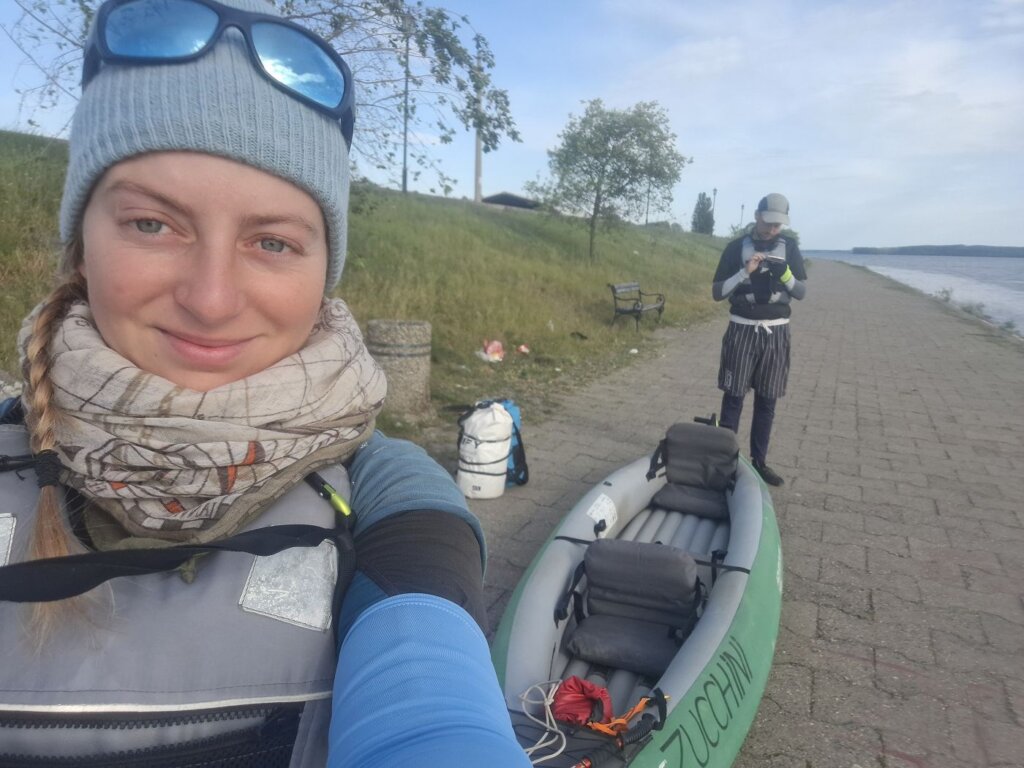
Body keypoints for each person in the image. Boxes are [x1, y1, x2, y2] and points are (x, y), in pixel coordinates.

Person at [0, 1, 529, 765]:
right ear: (81, 244)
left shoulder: (384, 486)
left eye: (273, 242)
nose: (212, 299)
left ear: (324, 276)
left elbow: (430, 701)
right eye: (153, 224)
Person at [711, 193, 807, 486]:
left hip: (776, 333)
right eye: (769, 222)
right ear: (757, 216)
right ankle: (725, 463)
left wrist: (785, 273)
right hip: (742, 329)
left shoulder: (789, 247)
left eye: (778, 225)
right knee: (734, 398)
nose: (773, 229)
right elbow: (717, 293)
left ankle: (759, 462)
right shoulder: (734, 248)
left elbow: (800, 292)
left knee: (767, 401)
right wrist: (744, 272)